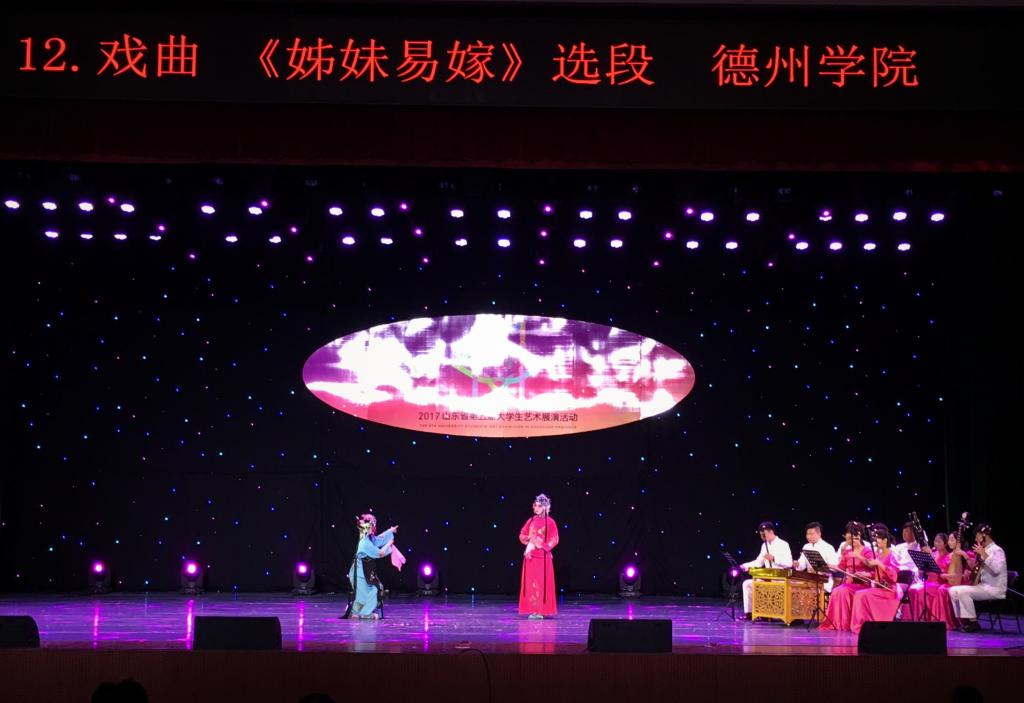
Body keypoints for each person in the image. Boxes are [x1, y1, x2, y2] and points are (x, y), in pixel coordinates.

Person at [948, 523, 1008, 632]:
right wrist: (968, 558)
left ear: (984, 535)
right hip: (983, 586)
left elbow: (996, 570)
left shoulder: (997, 550)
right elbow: (977, 568)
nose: (976, 539)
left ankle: (973, 623)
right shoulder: (984, 550)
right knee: (953, 590)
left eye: (977, 536)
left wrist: (983, 554)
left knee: (962, 591)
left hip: (994, 588)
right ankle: (964, 620)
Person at [342, 513, 398, 620]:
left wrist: (390, 531)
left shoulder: (369, 539)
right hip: (359, 572)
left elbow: (379, 539)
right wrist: (389, 544)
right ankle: (365, 613)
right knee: (372, 590)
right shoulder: (364, 542)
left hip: (364, 570)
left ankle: (354, 612)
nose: (373, 527)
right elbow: (380, 553)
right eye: (371, 524)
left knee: (368, 592)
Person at [821, 522, 874, 631]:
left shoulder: (867, 551)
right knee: (837, 591)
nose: (850, 541)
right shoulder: (847, 552)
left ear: (859, 537)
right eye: (848, 538)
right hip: (849, 583)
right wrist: (829, 565)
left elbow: (873, 569)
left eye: (853, 538)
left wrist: (861, 563)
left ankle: (845, 623)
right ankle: (838, 623)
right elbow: (841, 567)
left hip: (863, 584)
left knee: (842, 591)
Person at [849, 525, 902, 634]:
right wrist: (866, 574)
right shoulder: (879, 555)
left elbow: (893, 576)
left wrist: (880, 564)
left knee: (861, 595)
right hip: (879, 587)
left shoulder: (892, 555)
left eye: (878, 539)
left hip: (889, 589)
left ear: (885, 540)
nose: (876, 543)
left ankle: (864, 624)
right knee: (859, 594)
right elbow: (876, 573)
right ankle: (863, 624)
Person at [739, 520, 793, 619]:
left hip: (781, 578)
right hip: (768, 577)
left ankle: (770, 612)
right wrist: (744, 566)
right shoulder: (764, 545)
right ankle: (750, 613)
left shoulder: (783, 544)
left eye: (764, 534)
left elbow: (789, 563)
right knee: (747, 584)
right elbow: (759, 562)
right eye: (761, 534)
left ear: (771, 531)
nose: (762, 537)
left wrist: (774, 558)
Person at [519, 493, 559, 618]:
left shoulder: (550, 522)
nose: (536, 508)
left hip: (543, 558)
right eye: (535, 505)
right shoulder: (531, 520)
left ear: (545, 507)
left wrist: (542, 545)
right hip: (530, 556)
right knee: (531, 584)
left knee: (542, 584)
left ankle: (541, 610)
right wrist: (529, 539)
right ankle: (533, 610)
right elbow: (522, 535)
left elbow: (555, 539)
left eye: (539, 506)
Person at [909, 532, 950, 621]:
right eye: (935, 541)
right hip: (929, 581)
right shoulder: (934, 553)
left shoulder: (948, 556)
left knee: (920, 591)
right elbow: (923, 571)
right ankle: (917, 618)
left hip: (939, 582)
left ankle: (925, 618)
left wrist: (930, 556)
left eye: (939, 542)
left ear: (945, 544)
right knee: (912, 589)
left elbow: (942, 572)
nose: (936, 544)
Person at [794, 521, 840, 592]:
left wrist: (820, 569)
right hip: (809, 579)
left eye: (811, 534)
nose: (808, 536)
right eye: (807, 534)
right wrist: (797, 564)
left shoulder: (828, 547)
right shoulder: (806, 546)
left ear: (819, 534)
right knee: (794, 587)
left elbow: (835, 567)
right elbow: (801, 566)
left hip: (824, 582)